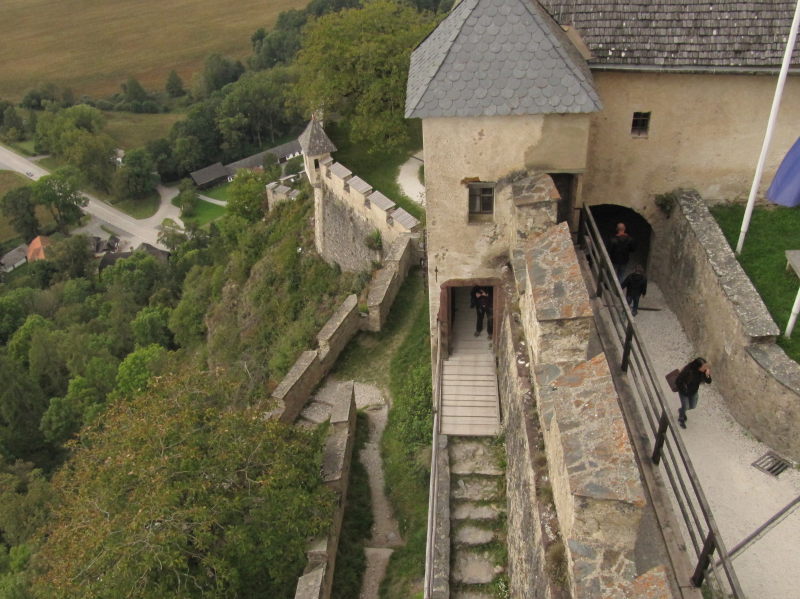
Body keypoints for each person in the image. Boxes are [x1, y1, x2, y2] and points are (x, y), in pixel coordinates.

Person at [675, 357, 712, 429]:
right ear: (698, 366)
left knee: (692, 406)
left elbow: (709, 381)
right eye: (704, 367)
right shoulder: (688, 371)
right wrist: (684, 390)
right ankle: (681, 418)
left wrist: (707, 375)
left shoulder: (703, 372)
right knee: (686, 406)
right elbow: (678, 381)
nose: (705, 368)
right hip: (684, 393)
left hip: (694, 392)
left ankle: (681, 410)